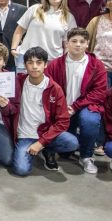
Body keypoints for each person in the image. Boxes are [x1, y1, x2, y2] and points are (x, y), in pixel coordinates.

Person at [45, 28, 108, 174]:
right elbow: (48, 88)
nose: (78, 44)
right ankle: (68, 145)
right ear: (67, 43)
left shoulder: (97, 65)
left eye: (82, 41)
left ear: (87, 44)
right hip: (62, 108)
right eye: (74, 41)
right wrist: (60, 107)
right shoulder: (55, 64)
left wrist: (75, 106)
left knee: (90, 120)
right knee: (66, 151)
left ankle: (86, 156)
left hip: (84, 107)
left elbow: (99, 92)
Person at [10, 47, 79, 176]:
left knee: (72, 143)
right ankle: (38, 149)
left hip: (46, 133)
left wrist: (41, 142)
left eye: (39, 62)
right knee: (21, 170)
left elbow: (63, 121)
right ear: (24, 65)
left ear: (45, 64)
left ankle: (47, 149)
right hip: (25, 135)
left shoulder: (55, 89)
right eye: (30, 62)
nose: (34, 66)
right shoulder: (17, 83)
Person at [12, 0, 77, 62]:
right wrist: (13, 48)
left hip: (52, 61)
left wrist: (64, 61)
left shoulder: (69, 17)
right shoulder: (35, 9)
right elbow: (19, 30)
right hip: (27, 58)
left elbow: (67, 44)